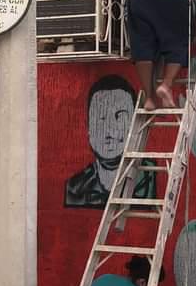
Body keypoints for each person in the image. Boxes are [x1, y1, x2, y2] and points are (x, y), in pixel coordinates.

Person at [65, 75, 155, 207]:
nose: (110, 131)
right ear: (88, 128)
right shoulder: (75, 188)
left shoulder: (149, 179)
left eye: (120, 118)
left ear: (135, 124)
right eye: (101, 118)